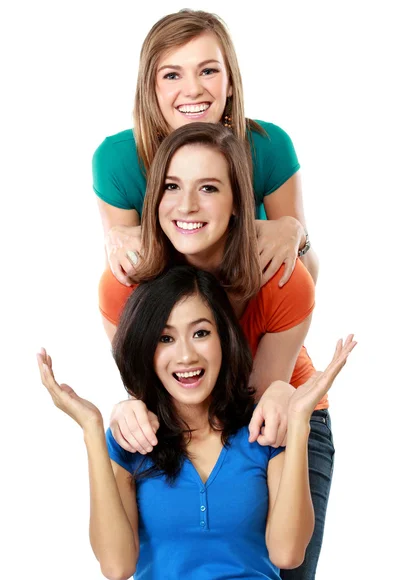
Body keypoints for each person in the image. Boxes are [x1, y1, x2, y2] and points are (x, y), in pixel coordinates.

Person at [100, 122, 330, 579]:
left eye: (208, 187)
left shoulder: (284, 280)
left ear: (238, 204)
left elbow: (254, 411)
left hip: (277, 411)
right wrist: (124, 412)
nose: (186, 205)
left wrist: (285, 396)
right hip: (182, 419)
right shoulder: (123, 286)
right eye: (171, 187)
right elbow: (150, 387)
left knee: (286, 565)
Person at [38, 265, 356, 580]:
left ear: (224, 338)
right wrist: (92, 430)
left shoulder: (262, 431)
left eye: (201, 333)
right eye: (165, 338)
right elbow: (116, 566)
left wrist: (299, 422)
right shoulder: (130, 440)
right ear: (146, 349)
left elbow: (287, 553)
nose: (186, 356)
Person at [93, 9, 319, 314]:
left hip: (259, 320)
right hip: (176, 336)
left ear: (229, 83)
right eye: (172, 75)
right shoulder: (116, 160)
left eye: (208, 71)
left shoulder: (269, 145)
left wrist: (296, 235)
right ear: (151, 88)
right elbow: (129, 290)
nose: (193, 89)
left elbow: (303, 281)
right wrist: (117, 239)